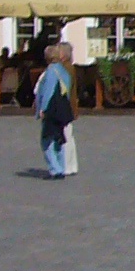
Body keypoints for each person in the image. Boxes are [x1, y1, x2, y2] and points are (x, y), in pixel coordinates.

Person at [37, 40, 77, 178]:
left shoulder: (51, 71)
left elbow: (48, 91)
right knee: (59, 139)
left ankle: (55, 169)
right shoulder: (63, 70)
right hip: (62, 108)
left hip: (52, 109)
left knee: (47, 141)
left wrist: (43, 108)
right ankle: (61, 166)